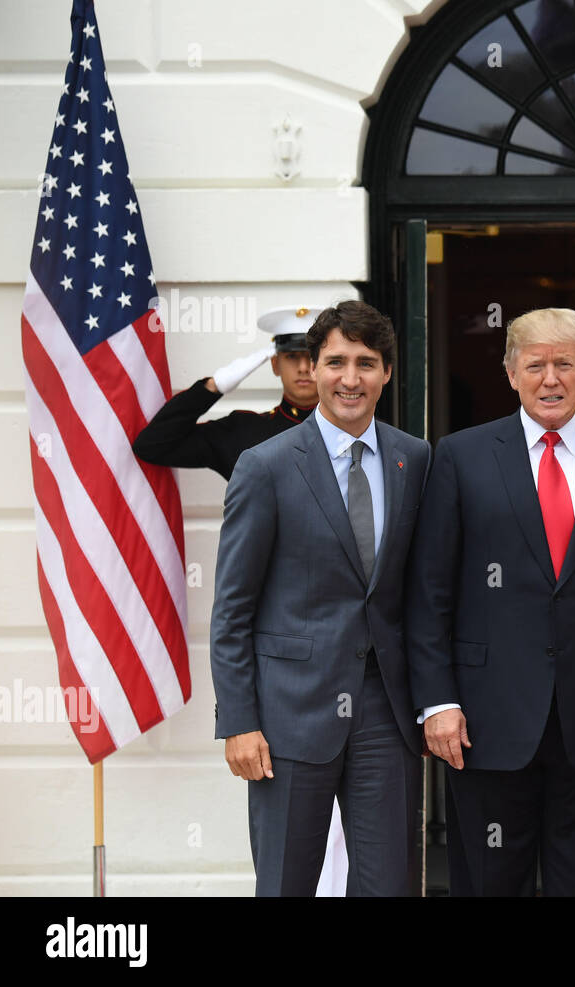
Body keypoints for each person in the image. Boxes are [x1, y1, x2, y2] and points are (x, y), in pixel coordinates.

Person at [409, 307, 575, 896]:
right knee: (488, 882)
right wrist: (436, 702)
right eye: (535, 365)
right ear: (511, 373)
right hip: (483, 722)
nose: (550, 378)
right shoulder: (461, 456)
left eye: (565, 363)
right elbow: (431, 594)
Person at [210, 300, 430, 896]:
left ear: (387, 372)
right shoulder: (266, 466)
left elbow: (421, 593)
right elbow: (231, 610)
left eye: (366, 363)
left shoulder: (416, 459)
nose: (350, 378)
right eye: (336, 362)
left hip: (387, 713)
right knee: (286, 884)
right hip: (287, 718)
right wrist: (239, 721)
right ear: (314, 366)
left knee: (388, 885)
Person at [136, 303, 349, 896]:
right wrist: (220, 380)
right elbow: (155, 442)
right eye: (293, 358)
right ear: (276, 363)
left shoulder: (364, 428)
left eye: (317, 356)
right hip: (286, 633)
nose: (307, 369)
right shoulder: (248, 432)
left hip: (354, 637)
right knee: (292, 824)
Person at [133, 305, 320, 480]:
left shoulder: (347, 429)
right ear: (275, 364)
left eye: (312, 357)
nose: (303, 367)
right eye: (292, 356)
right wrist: (214, 386)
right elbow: (152, 445)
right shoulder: (243, 431)